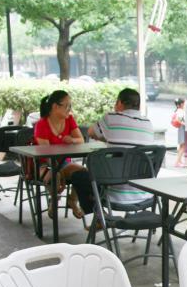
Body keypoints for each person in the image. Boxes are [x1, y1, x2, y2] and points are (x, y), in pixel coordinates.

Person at [72, 87, 156, 216]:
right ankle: (101, 217)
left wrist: (108, 136)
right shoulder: (148, 123)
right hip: (144, 193)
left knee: (78, 176)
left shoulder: (111, 118)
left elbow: (90, 132)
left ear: (120, 103)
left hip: (114, 194)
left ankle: (99, 215)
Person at [33, 90, 85, 219]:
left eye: (70, 106)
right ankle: (54, 200)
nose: (69, 109)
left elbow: (81, 140)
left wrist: (72, 140)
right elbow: (47, 154)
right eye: (67, 106)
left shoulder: (70, 120)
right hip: (43, 164)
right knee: (54, 175)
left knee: (83, 172)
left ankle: (72, 200)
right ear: (55, 106)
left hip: (64, 163)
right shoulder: (42, 124)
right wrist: (60, 173)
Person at [171, 98, 187, 167]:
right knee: (183, 146)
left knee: (182, 146)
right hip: (183, 129)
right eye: (184, 103)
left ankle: (179, 161)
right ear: (181, 104)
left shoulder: (179, 110)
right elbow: (179, 120)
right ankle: (177, 162)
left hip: (181, 129)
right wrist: (186, 124)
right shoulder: (180, 111)